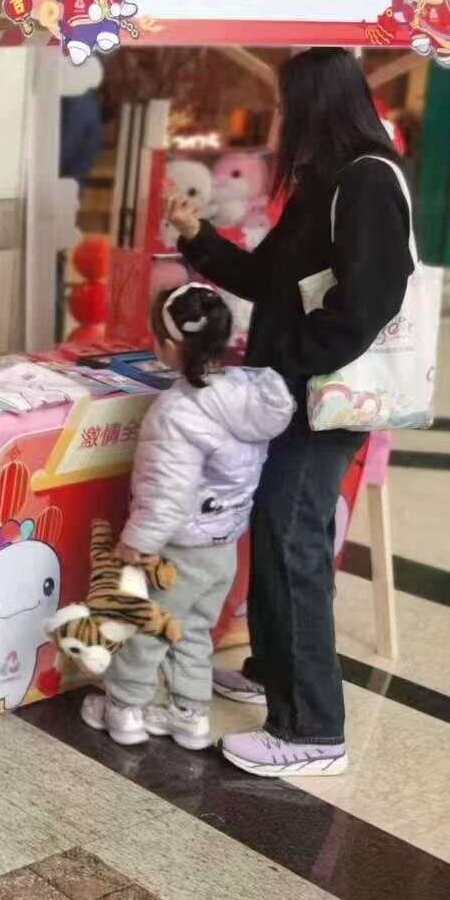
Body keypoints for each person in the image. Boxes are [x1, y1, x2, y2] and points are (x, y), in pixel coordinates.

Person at [167, 46, 413, 777]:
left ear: (315, 105)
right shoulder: (323, 183)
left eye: (285, 105)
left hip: (323, 400)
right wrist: (198, 238)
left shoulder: (367, 180)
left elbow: (366, 306)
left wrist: (288, 362)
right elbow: (266, 277)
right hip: (294, 395)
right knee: (277, 529)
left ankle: (311, 729)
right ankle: (275, 667)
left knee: (294, 538)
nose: (277, 119)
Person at [79, 284, 293, 751]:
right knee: (194, 630)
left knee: (146, 628)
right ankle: (190, 715)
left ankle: (124, 709)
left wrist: (135, 543)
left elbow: (167, 495)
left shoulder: (177, 410)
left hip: (178, 550)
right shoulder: (247, 396)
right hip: (223, 545)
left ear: (170, 347)